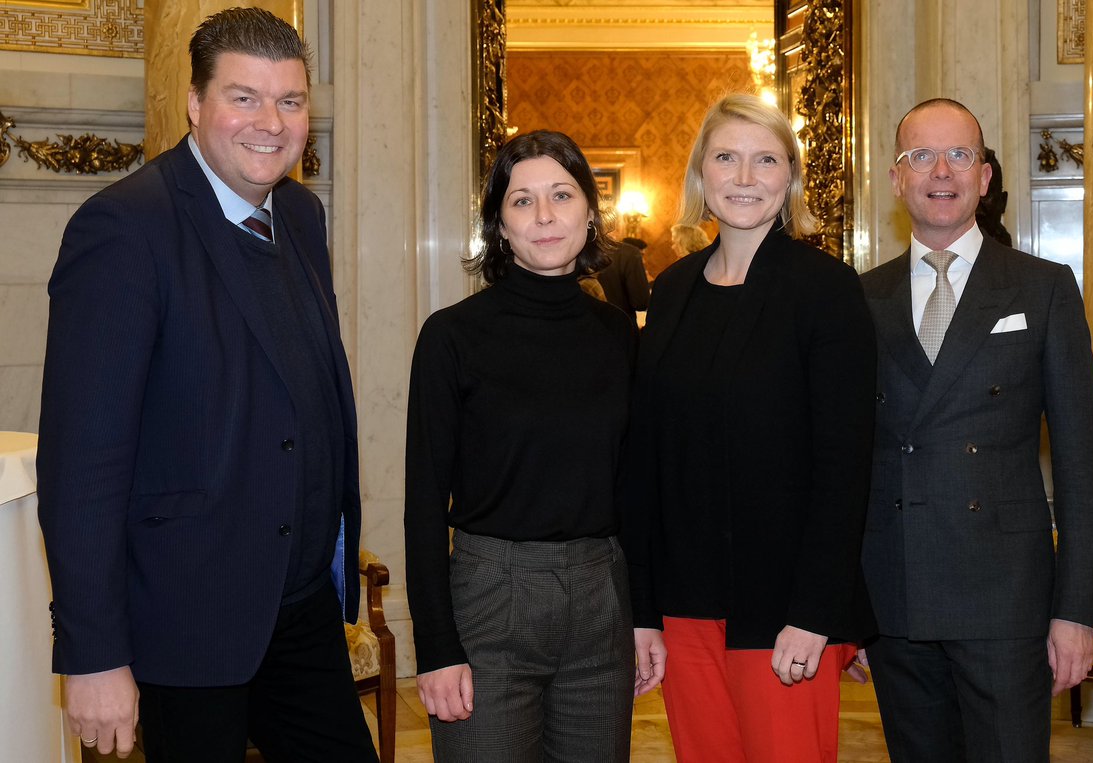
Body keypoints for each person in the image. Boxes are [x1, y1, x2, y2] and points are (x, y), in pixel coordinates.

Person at [36, 8, 376, 762]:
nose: (271, 122)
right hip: (187, 622)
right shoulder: (125, 228)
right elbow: (82, 462)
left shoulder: (298, 212)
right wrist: (93, 652)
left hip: (300, 610)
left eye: (290, 100)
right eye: (244, 97)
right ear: (195, 103)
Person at [622, 93, 877, 762]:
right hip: (683, 601)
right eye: (726, 158)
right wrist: (642, 611)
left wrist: (816, 612)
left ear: (790, 179)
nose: (743, 177)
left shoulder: (827, 289)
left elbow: (845, 466)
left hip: (785, 606)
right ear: (700, 176)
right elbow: (644, 462)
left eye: (765, 160)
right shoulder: (671, 290)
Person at [858, 98, 1093, 762]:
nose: (941, 171)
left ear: (986, 175)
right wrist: (843, 608)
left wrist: (1076, 609)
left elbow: (1084, 465)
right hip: (895, 597)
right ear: (896, 177)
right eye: (921, 156)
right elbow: (841, 465)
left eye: (960, 154)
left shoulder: (1043, 288)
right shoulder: (858, 298)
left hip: (1007, 600)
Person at [405, 129, 653, 761]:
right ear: (499, 224)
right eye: (522, 201)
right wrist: (435, 646)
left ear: (590, 213)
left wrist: (645, 616)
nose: (544, 216)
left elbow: (639, 491)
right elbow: (425, 503)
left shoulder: (619, 337)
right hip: (490, 602)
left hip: (602, 600)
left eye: (562, 195)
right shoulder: (452, 337)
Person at [596, 239, 650, 319]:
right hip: (622, 323)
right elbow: (641, 302)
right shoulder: (629, 253)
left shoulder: (579, 251)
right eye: (642, 255)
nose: (644, 261)